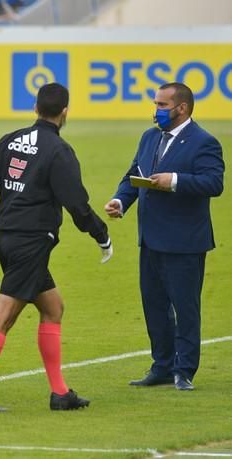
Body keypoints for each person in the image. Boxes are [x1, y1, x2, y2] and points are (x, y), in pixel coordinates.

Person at [0, 82, 113, 412]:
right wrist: (101, 234)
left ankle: (60, 393)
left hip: (7, 236)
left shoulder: (10, 141)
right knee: (4, 317)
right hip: (32, 242)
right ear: (65, 112)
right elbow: (76, 203)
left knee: (53, 307)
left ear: (35, 108)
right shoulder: (59, 151)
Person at [104, 82, 224, 391]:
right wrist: (120, 201)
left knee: (185, 309)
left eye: (161, 105)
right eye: (156, 104)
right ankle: (161, 366)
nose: (156, 110)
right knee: (154, 306)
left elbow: (213, 183)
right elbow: (134, 176)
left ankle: (184, 371)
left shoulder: (204, 142)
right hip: (150, 239)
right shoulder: (149, 138)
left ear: (181, 108)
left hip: (184, 242)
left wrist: (175, 180)